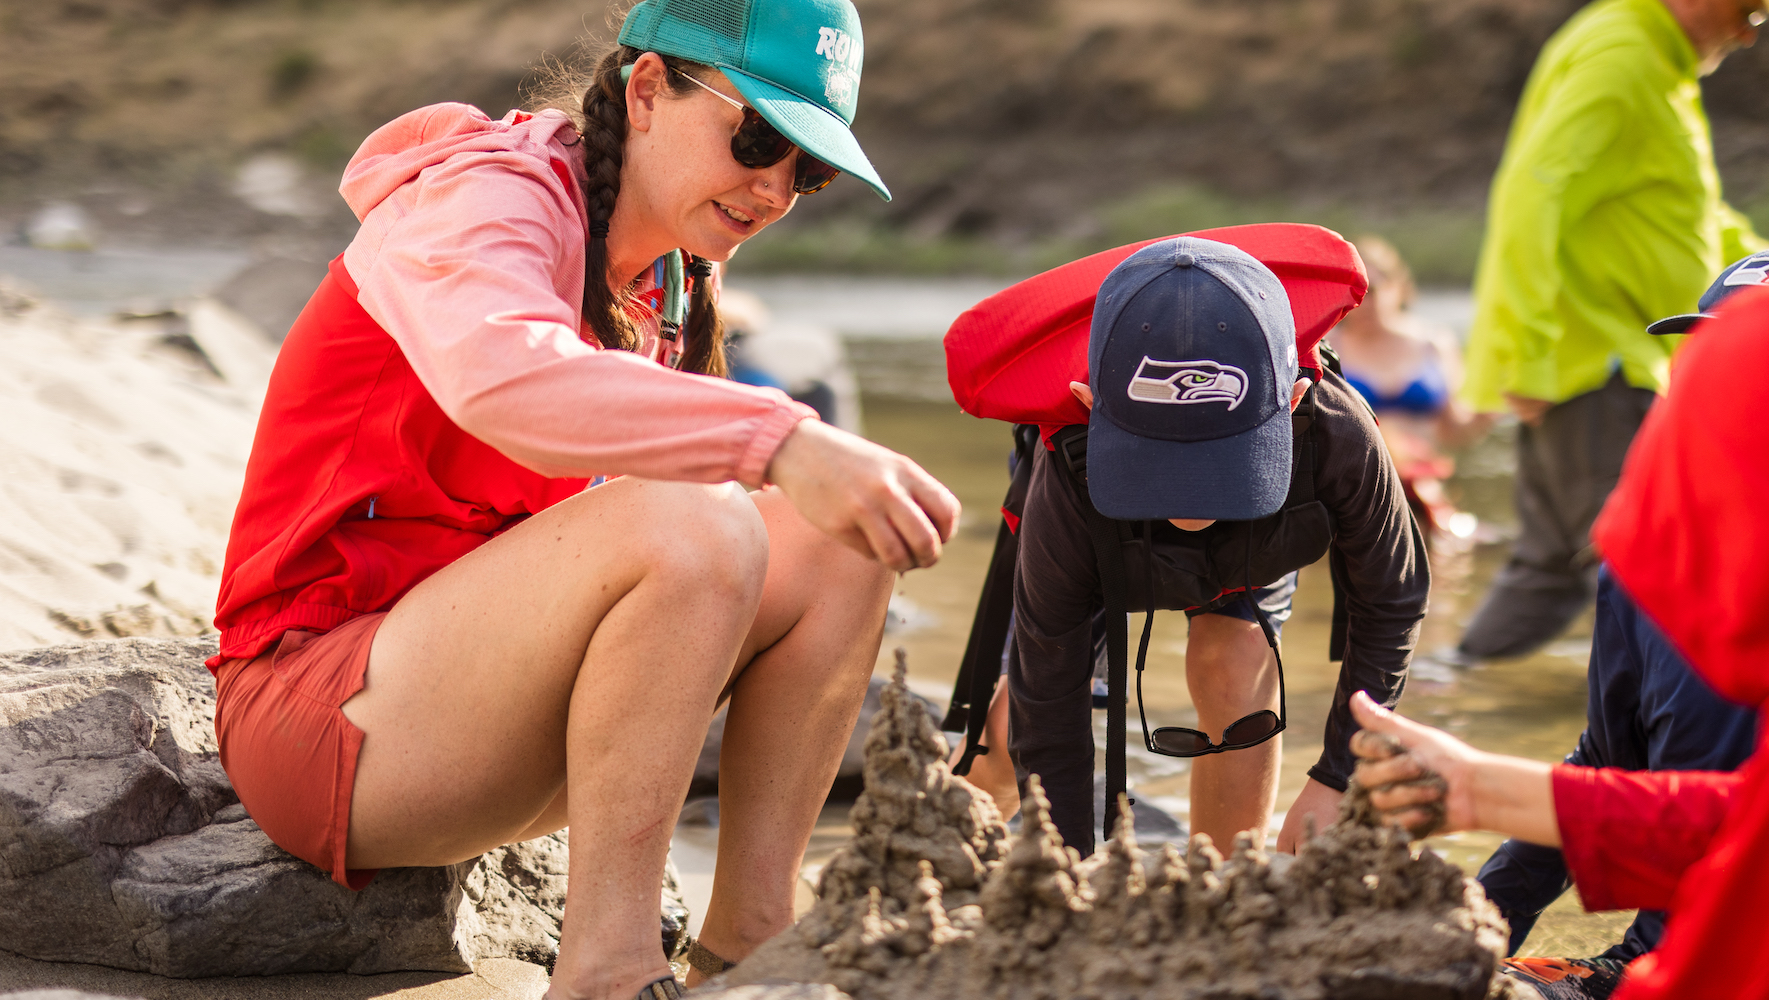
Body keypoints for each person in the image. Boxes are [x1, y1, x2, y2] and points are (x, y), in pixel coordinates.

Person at [204, 3, 961, 999]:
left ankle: (747, 947)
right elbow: (500, 377)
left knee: (842, 540)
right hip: (325, 716)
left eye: (807, 170)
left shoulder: (672, 280)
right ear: (646, 88)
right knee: (695, 519)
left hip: (486, 708)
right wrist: (779, 436)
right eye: (759, 137)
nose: (774, 187)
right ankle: (605, 970)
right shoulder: (483, 196)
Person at [1349, 259, 1769, 1000]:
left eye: (1768, 374)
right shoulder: (1648, 576)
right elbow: (1722, 804)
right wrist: (1475, 904)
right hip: (1676, 950)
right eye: (1714, 369)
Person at [1474, 245, 1769, 997]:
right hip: (1660, 967)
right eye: (1709, 354)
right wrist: (1480, 916)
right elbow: (1608, 767)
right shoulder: (1643, 565)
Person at [972, 236, 1429, 855]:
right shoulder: (1070, 472)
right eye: (1165, 466)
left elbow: (1392, 600)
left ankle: (1223, 883)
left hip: (1255, 542)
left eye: (1219, 467)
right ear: (1089, 409)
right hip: (1110, 541)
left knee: (1232, 660)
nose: (1193, 501)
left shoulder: (1337, 433)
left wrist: (1339, 779)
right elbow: (1048, 695)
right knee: (1010, 724)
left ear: (1293, 399)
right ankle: (950, 859)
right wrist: (1067, 876)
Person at [1455, 0, 1769, 660]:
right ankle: (1654, 744)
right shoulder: (1625, 54)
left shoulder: (1657, 63)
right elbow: (1532, 190)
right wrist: (1526, 357)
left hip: (1600, 365)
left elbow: (1688, 214)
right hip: (1602, 365)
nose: (1746, 36)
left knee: (1550, 573)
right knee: (1638, 569)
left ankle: (1436, 702)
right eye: (1747, 16)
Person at [1330, 236, 1493, 536]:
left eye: (1372, 290)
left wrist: (1490, 405)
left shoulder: (1433, 343)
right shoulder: (1327, 349)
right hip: (1353, 491)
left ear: (1397, 287)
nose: (1362, 303)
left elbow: (1455, 431)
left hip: (1423, 487)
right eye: (1352, 293)